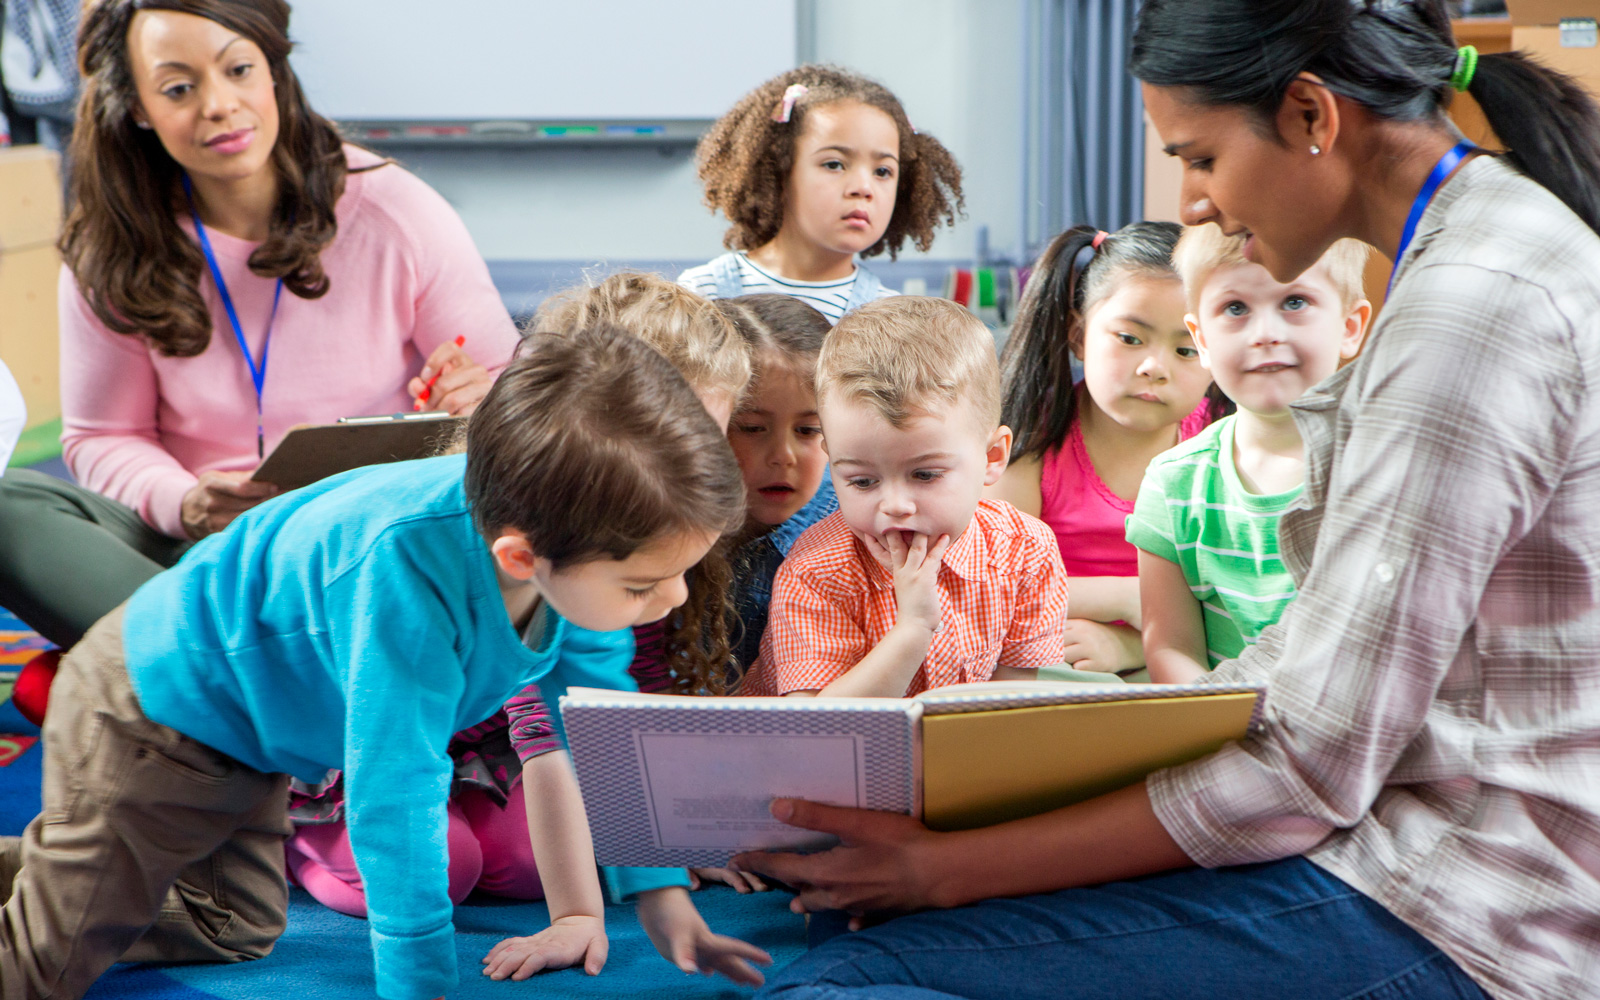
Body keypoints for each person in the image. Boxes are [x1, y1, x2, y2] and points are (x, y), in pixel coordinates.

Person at [729, 2, 1600, 998]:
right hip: (1412, 838)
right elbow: (1320, 650)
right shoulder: (1476, 251)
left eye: (1198, 157)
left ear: (1312, 115)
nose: (1190, 203)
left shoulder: (1468, 309)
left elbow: (1310, 767)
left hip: (1466, 897)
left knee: (850, 978)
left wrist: (946, 867)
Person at [0, 326, 759, 1000]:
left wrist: (660, 893)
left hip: (253, 734)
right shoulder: (406, 571)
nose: (670, 601)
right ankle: (64, 885)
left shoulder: (567, 551)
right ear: (522, 557)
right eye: (642, 584)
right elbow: (396, 795)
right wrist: (421, 983)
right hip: (154, 708)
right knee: (46, 961)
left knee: (228, 926)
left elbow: (601, 730)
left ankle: (63, 871)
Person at [0, 0, 516, 724]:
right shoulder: (109, 247)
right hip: (198, 560)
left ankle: (187, 682)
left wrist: (474, 397)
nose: (218, 105)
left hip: (370, 557)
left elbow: (512, 395)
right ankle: (270, 689)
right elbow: (99, 438)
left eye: (238, 69)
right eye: (177, 88)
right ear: (140, 107)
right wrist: (186, 502)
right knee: (9, 507)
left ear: (273, 69)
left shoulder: (396, 210)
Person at [284, 272, 759, 916]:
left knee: (524, 864)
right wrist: (579, 915)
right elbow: (547, 725)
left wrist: (665, 836)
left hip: (489, 750)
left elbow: (632, 691)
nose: (691, 467)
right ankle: (296, 837)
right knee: (442, 869)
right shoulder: (533, 538)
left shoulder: (664, 527)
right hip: (381, 746)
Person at [741, 296, 1069, 699]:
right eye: (862, 481)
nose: (895, 505)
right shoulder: (817, 572)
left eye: (925, 474)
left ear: (993, 457)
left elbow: (1010, 711)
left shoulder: (1025, 551)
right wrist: (913, 628)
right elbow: (820, 732)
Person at [1131, 228, 1369, 683]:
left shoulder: (1386, 463)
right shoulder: (1173, 483)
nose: (1265, 334)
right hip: (1224, 730)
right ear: (1200, 340)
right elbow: (1171, 648)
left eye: (1294, 302)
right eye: (1236, 309)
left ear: (1350, 327)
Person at [987, 223, 1223, 674]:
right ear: (1078, 335)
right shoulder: (1030, 443)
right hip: (1050, 664)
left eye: (1186, 348)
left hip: (1184, 667)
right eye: (1130, 339)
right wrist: (1127, 598)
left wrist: (1133, 641)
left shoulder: (1219, 447)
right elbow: (989, 583)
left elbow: (1240, 595)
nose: (1154, 367)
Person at [678, 65, 964, 323]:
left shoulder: (892, 320)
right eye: (834, 164)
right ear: (778, 172)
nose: (863, 188)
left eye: (883, 172)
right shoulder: (702, 293)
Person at [720, 294, 839, 672]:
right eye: (752, 428)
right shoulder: (665, 530)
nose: (784, 455)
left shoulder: (849, 530)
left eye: (808, 430)